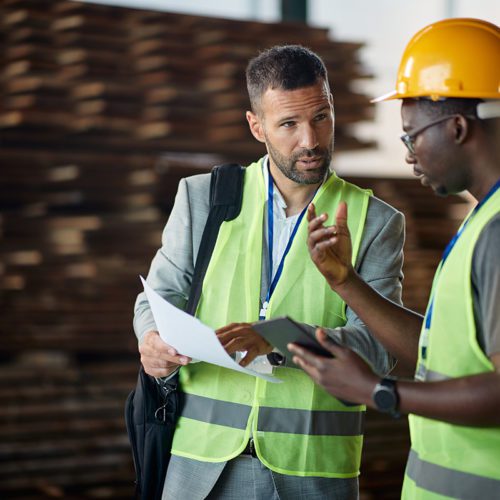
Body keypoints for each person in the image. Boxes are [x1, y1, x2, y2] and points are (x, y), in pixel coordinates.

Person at [134, 45, 405, 499]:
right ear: (256, 126)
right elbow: (155, 299)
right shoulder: (204, 198)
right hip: (201, 467)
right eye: (289, 124)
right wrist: (151, 342)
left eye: (321, 116)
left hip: (313, 472)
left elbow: (380, 351)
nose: (311, 140)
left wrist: (281, 337)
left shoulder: (375, 221)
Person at [289, 18, 500, 499]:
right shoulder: (482, 220)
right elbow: (435, 356)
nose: (408, 155)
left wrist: (375, 391)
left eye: (411, 136)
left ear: (458, 127)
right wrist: (347, 283)